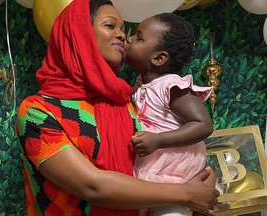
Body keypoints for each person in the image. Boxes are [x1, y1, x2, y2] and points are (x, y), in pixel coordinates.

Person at [15, 0, 219, 215]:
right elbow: (93, 187)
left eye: (123, 29)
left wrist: (202, 183)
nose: (123, 35)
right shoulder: (38, 111)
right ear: (79, 33)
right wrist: (186, 194)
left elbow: (172, 163)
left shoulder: (126, 101)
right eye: (110, 26)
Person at [124, 13, 216, 216]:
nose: (128, 39)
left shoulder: (172, 86)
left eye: (139, 37)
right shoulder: (144, 85)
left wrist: (159, 140)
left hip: (174, 173)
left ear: (158, 58)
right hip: (156, 170)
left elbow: (203, 124)